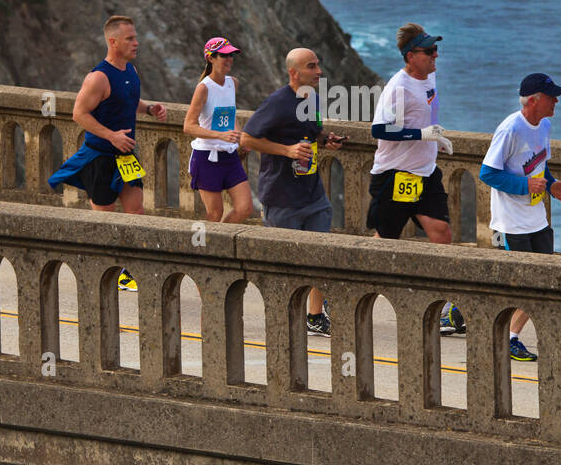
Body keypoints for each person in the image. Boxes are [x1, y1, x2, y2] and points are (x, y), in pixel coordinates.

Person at [48, 15, 167, 289]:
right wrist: (111, 135)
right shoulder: (98, 77)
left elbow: (128, 101)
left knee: (136, 212)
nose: (136, 43)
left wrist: (149, 109)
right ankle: (101, 272)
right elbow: (79, 113)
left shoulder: (131, 71)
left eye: (135, 37)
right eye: (130, 39)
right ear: (113, 41)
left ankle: (129, 272)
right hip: (100, 157)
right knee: (105, 219)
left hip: (125, 157)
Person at [240, 48, 346, 336]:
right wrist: (286, 150)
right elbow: (248, 137)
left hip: (313, 194)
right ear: (294, 72)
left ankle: (314, 316)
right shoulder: (277, 102)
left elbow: (313, 132)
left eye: (318, 65)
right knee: (285, 265)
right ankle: (281, 321)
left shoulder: (311, 98)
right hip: (282, 197)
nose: (319, 71)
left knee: (321, 259)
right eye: (312, 66)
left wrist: (326, 139)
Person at [367, 24, 461, 335]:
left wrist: (436, 135)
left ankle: (445, 302)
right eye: (429, 51)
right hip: (396, 174)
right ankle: (357, 291)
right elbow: (379, 130)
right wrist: (420, 134)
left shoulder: (429, 76)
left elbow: (428, 109)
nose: (436, 55)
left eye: (436, 49)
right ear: (411, 57)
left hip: (425, 171)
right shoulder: (399, 88)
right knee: (385, 239)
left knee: (442, 232)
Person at [480, 73, 561, 361]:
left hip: (537, 218)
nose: (556, 100)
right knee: (521, 285)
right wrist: (523, 186)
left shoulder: (545, 125)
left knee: (542, 282)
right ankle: (507, 337)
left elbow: (539, 164)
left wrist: (552, 185)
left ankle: (509, 336)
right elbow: (488, 173)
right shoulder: (510, 130)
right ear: (534, 100)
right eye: (551, 96)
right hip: (511, 222)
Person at [183, 36, 253, 224]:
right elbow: (188, 126)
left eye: (231, 55)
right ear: (211, 58)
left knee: (245, 208)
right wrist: (220, 135)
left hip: (229, 157)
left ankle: (221, 242)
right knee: (214, 214)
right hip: (207, 157)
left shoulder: (233, 83)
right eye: (224, 55)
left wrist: (240, 138)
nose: (230, 60)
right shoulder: (203, 88)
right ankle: (205, 250)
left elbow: (229, 116)